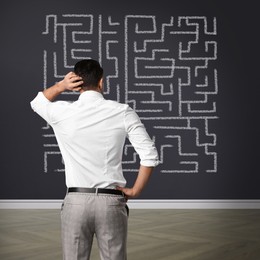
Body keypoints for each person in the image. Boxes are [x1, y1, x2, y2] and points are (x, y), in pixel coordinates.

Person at [30, 59, 159, 260]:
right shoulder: (123, 111)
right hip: (111, 202)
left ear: (76, 83)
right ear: (101, 82)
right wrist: (135, 191)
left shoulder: (61, 112)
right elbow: (149, 156)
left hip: (76, 202)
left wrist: (61, 86)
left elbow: (37, 103)